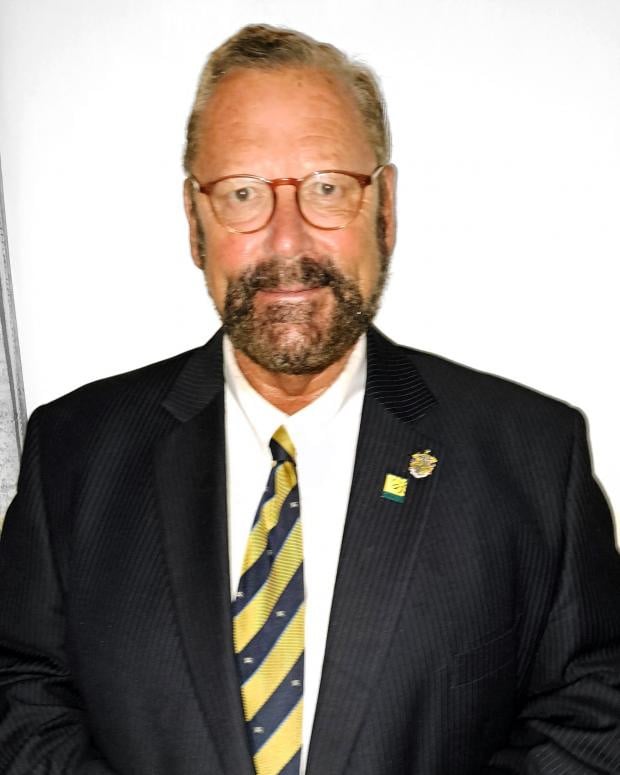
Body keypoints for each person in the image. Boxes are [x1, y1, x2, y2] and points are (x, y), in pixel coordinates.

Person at [0, 23, 619, 775]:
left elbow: (594, 711)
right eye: (242, 193)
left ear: (384, 208)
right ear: (195, 222)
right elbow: (22, 692)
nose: (287, 239)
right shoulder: (73, 452)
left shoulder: (531, 457)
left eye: (327, 187)